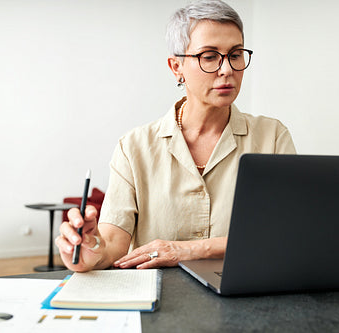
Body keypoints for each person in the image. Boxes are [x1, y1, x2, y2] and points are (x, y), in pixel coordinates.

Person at [56, 0, 296, 272]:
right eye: (209, 56)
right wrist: (90, 250)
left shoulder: (273, 137)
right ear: (176, 67)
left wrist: (187, 249)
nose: (227, 68)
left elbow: (285, 233)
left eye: (236, 54)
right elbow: (112, 243)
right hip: (160, 301)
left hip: (245, 295)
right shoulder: (133, 147)